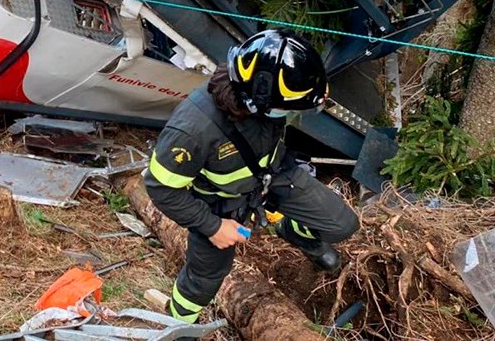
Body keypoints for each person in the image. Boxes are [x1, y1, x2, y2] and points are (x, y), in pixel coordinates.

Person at [144, 29, 359, 323]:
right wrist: (212, 226)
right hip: (219, 203)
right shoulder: (192, 131)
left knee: (342, 224)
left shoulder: (261, 93)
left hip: (272, 176)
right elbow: (161, 188)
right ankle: (178, 324)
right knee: (204, 279)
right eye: (284, 109)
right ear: (258, 100)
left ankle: (292, 229)